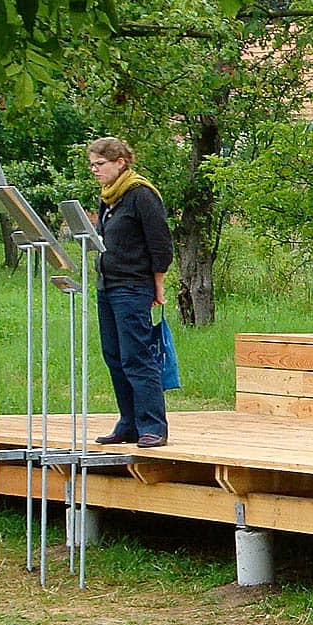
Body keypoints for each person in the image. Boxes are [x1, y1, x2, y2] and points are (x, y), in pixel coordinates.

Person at [86, 137, 174, 449]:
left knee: (137, 356)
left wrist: (157, 284)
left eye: (100, 164)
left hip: (132, 285)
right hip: (107, 285)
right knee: (114, 356)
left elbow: (161, 244)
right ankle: (129, 423)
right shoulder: (109, 198)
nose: (95, 170)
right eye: (92, 165)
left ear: (120, 162)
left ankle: (153, 425)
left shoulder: (141, 194)